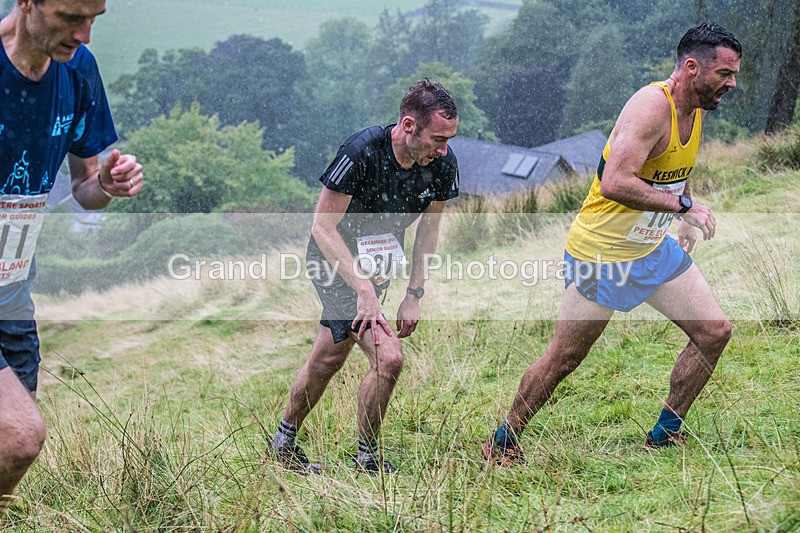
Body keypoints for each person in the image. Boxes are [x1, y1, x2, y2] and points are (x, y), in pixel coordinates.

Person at [483, 24, 740, 466]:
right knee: (564, 358)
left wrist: (682, 213)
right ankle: (503, 441)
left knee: (714, 332)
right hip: (601, 253)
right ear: (692, 67)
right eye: (724, 73)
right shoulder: (650, 106)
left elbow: (673, 166)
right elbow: (617, 181)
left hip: (649, 247)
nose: (732, 84)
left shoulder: (696, 107)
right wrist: (682, 207)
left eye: (734, 73)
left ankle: (664, 434)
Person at [269, 80, 459, 474]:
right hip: (333, 260)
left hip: (378, 265)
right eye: (437, 139)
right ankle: (368, 458)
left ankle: (282, 442)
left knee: (328, 356)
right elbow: (323, 227)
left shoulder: (441, 164)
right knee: (388, 358)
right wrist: (363, 289)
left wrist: (415, 293)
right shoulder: (360, 152)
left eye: (448, 140)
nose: (443, 149)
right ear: (408, 125)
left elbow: (429, 229)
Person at [0, 0, 143, 514]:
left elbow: (85, 186)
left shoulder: (77, 69)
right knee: (19, 436)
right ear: (26, 3)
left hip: (12, 296)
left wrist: (105, 183)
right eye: (69, 17)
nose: (85, 34)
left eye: (95, 18)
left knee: (6, 453)